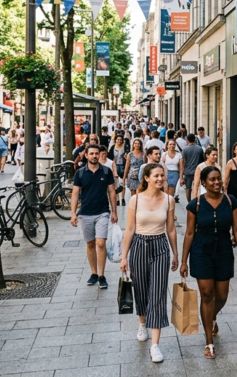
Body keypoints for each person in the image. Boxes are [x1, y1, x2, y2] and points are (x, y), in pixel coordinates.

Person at [180, 165, 237, 359]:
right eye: (212, 180)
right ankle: (209, 342)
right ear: (203, 183)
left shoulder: (231, 201)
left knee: (222, 296)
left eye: (219, 179)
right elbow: (190, 233)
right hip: (201, 250)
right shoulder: (196, 204)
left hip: (224, 250)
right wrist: (184, 261)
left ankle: (211, 316)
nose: (217, 182)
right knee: (207, 294)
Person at [119, 164, 178, 363]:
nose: (161, 179)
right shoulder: (135, 199)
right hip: (139, 245)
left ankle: (155, 345)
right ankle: (142, 323)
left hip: (161, 246)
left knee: (158, 292)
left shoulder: (169, 200)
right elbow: (129, 229)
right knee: (141, 289)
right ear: (146, 178)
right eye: (156, 176)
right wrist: (124, 256)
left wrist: (176, 253)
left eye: (163, 175)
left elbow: (170, 229)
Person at [70, 144, 119, 289]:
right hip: (85, 213)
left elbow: (111, 191)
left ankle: (102, 275)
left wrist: (114, 211)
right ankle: (94, 273)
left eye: (96, 153)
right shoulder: (79, 173)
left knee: (100, 243)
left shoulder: (106, 171)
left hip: (102, 212)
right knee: (90, 243)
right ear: (86, 155)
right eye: (91, 153)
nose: (94, 156)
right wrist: (73, 213)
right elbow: (75, 193)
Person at [181, 134, 205, 201]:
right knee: (198, 187)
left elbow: (183, 162)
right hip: (198, 171)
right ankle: (197, 200)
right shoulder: (199, 149)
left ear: (187, 140)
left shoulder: (185, 150)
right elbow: (202, 160)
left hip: (188, 171)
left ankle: (189, 202)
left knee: (188, 188)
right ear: (195, 140)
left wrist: (181, 176)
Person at [109, 135, 129, 206]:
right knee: (116, 183)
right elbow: (110, 156)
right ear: (115, 140)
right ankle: (117, 199)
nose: (119, 141)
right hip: (115, 166)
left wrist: (126, 158)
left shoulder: (125, 147)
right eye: (118, 139)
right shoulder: (112, 147)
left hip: (123, 166)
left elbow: (128, 156)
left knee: (123, 182)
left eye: (121, 139)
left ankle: (123, 198)